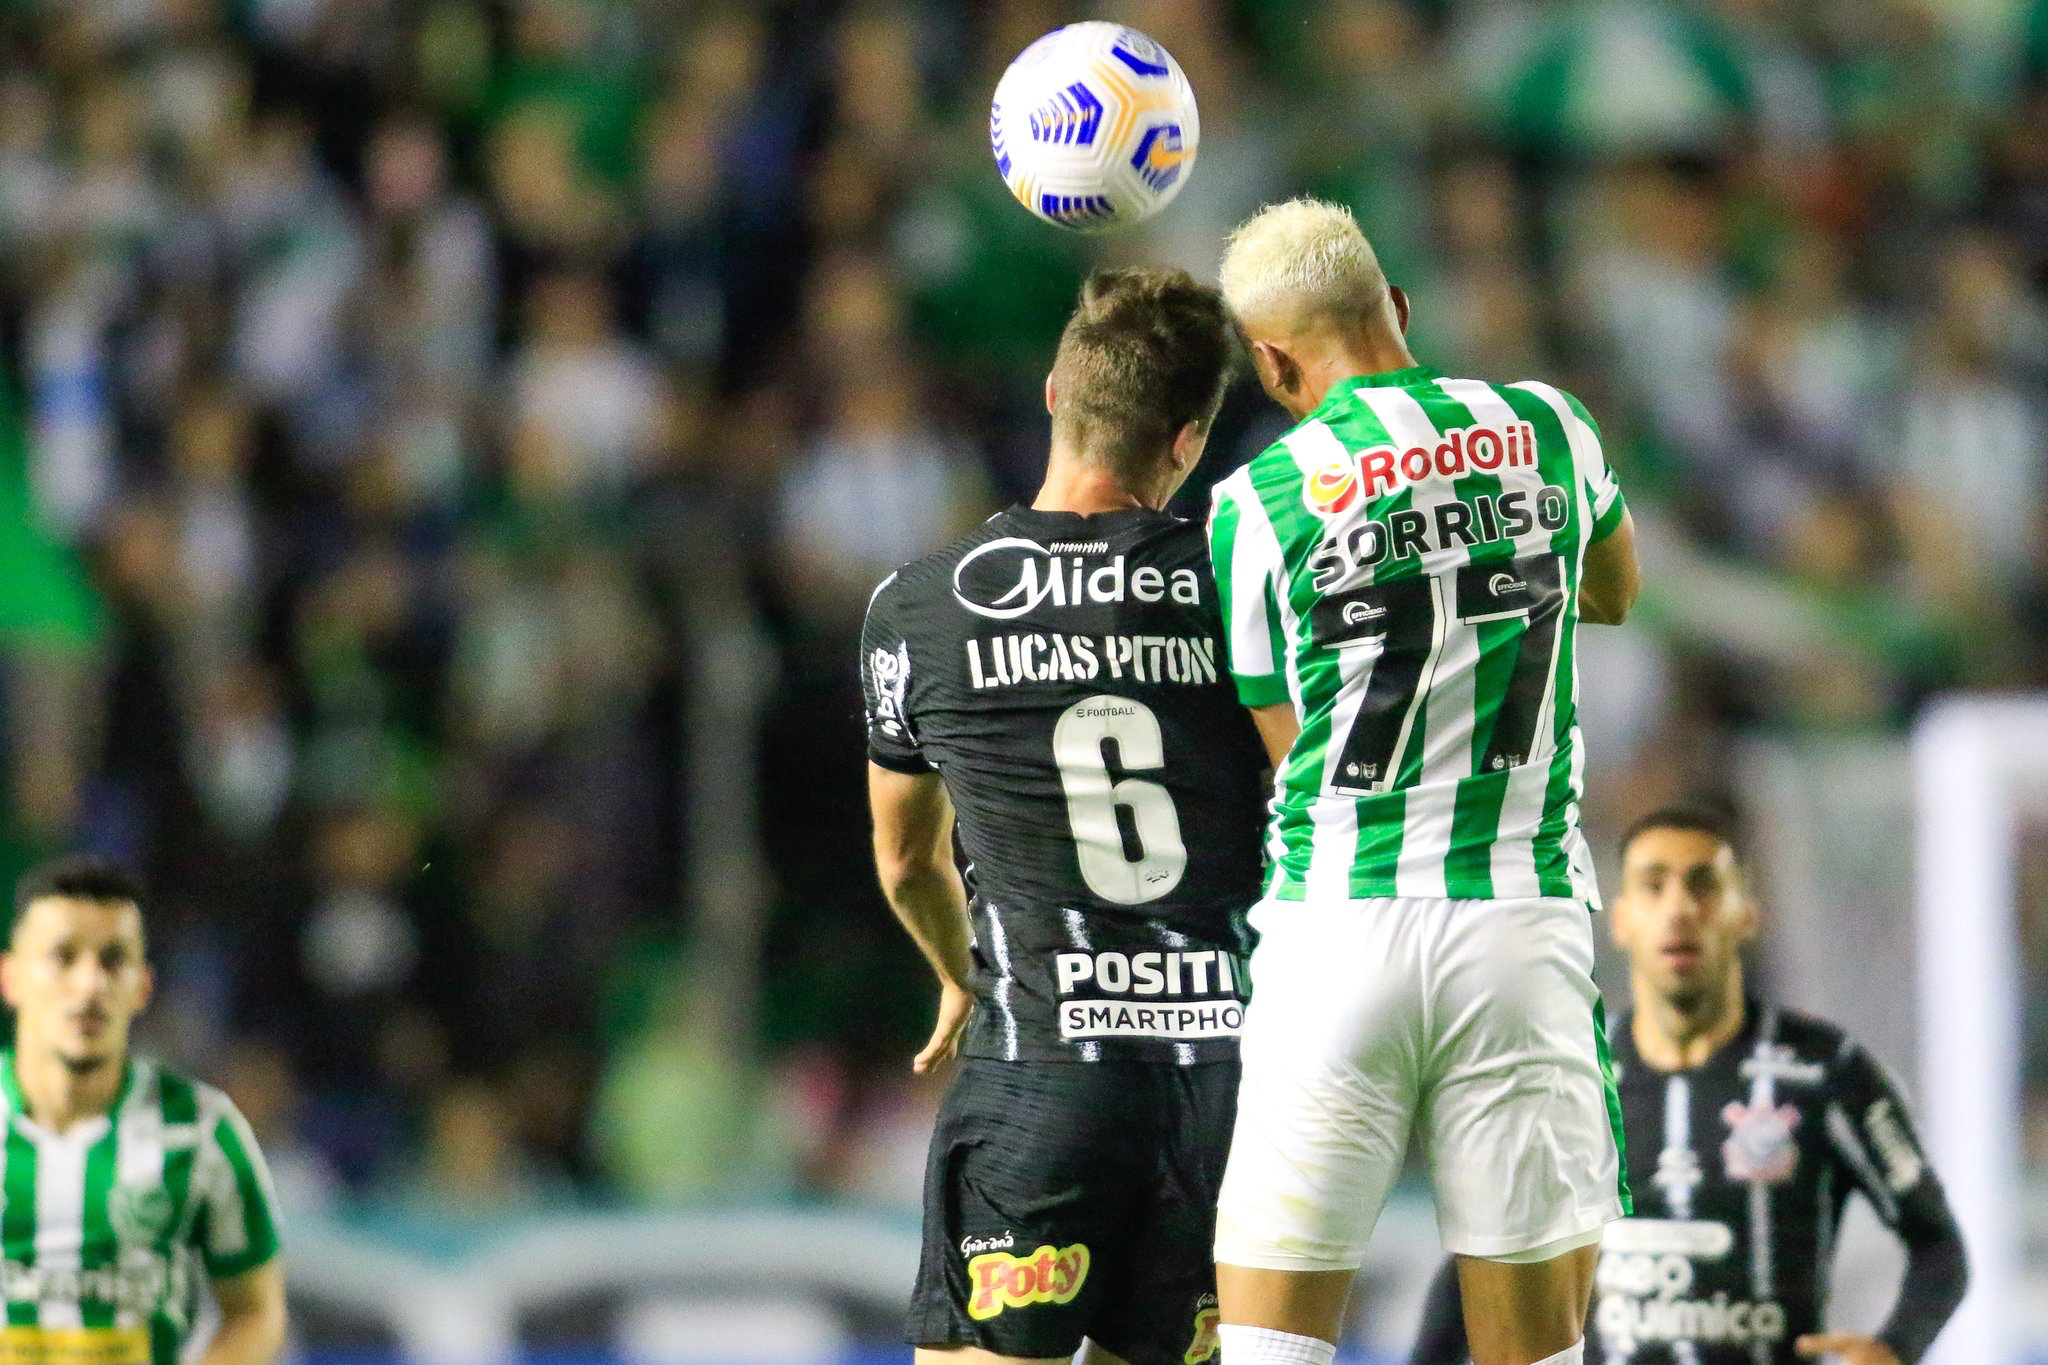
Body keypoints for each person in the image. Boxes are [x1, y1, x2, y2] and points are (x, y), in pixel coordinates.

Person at [1204, 198, 1642, 1365]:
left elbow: (1284, 735)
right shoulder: (1549, 424)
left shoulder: (1253, 505)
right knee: (1534, 1354)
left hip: (1335, 929)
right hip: (1515, 918)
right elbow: (1610, 594)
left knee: (1268, 1353)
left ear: (1270, 360)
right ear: (1394, 308)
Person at [861, 267, 1267, 1365]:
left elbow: (903, 858)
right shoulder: (1242, 587)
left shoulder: (920, 604)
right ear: (1185, 440)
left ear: (1052, 392)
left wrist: (955, 972)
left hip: (1041, 1067)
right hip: (1222, 1088)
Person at [1408, 807, 1967, 1365]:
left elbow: (1939, 1246)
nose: (1679, 909)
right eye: (1654, 887)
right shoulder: (1562, 1076)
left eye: (1703, 886)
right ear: (1621, 921)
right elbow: (1474, 1262)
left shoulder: (1825, 1072)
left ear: (1745, 914)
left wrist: (1895, 1347)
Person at [0, 856, 288, 1365]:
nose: (89, 984)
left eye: (112, 961)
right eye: (62, 957)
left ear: (143, 988)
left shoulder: (201, 1130)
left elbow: (257, 1311)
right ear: (11, 978)